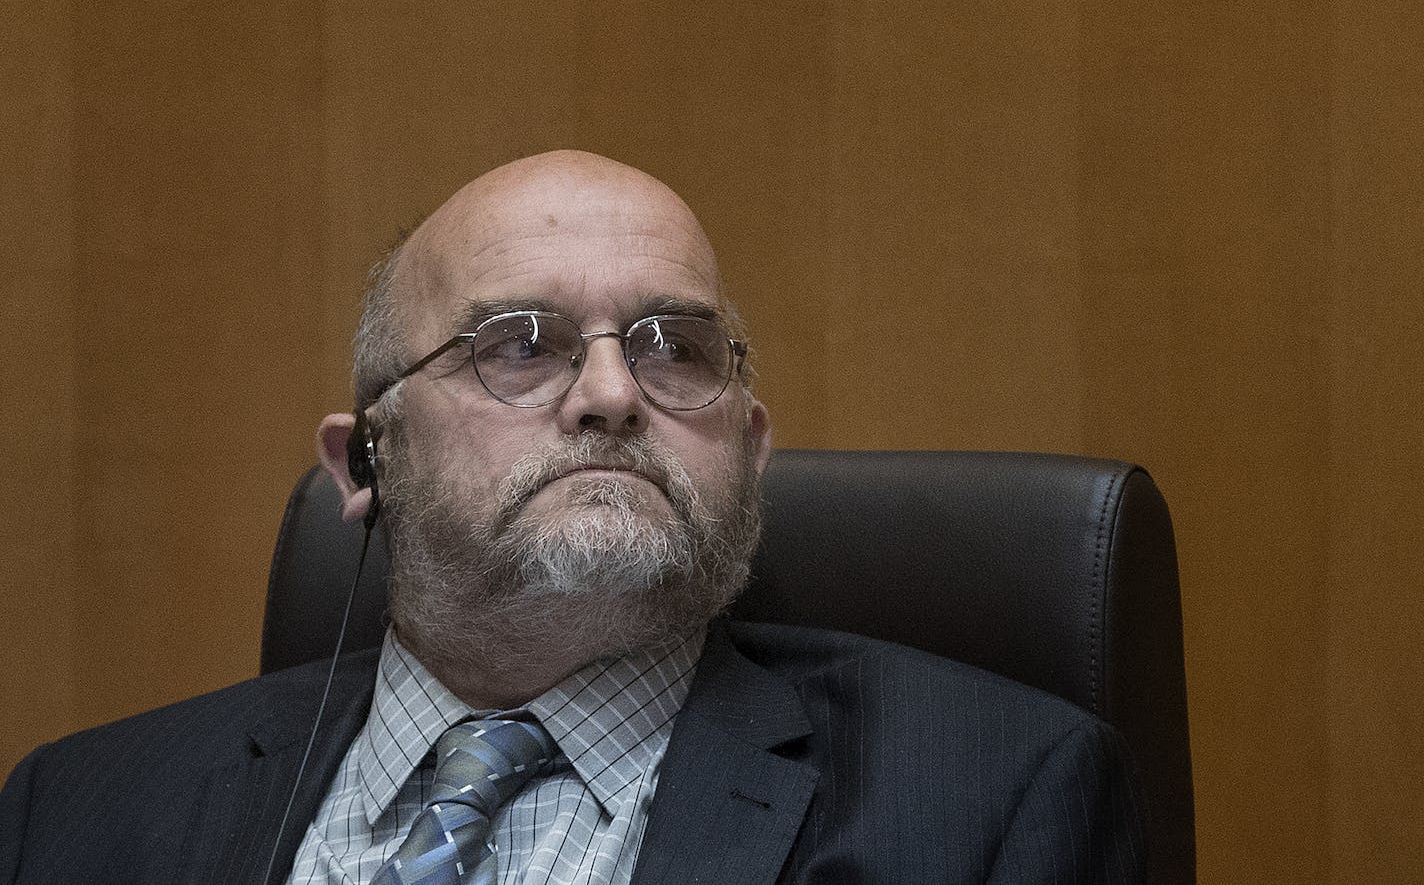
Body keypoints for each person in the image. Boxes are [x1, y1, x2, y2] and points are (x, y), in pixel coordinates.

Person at [0, 150, 1143, 884]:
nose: (609, 395)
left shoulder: (991, 804)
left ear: (748, 453)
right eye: (518, 346)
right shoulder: (77, 815)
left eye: (676, 349)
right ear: (368, 464)